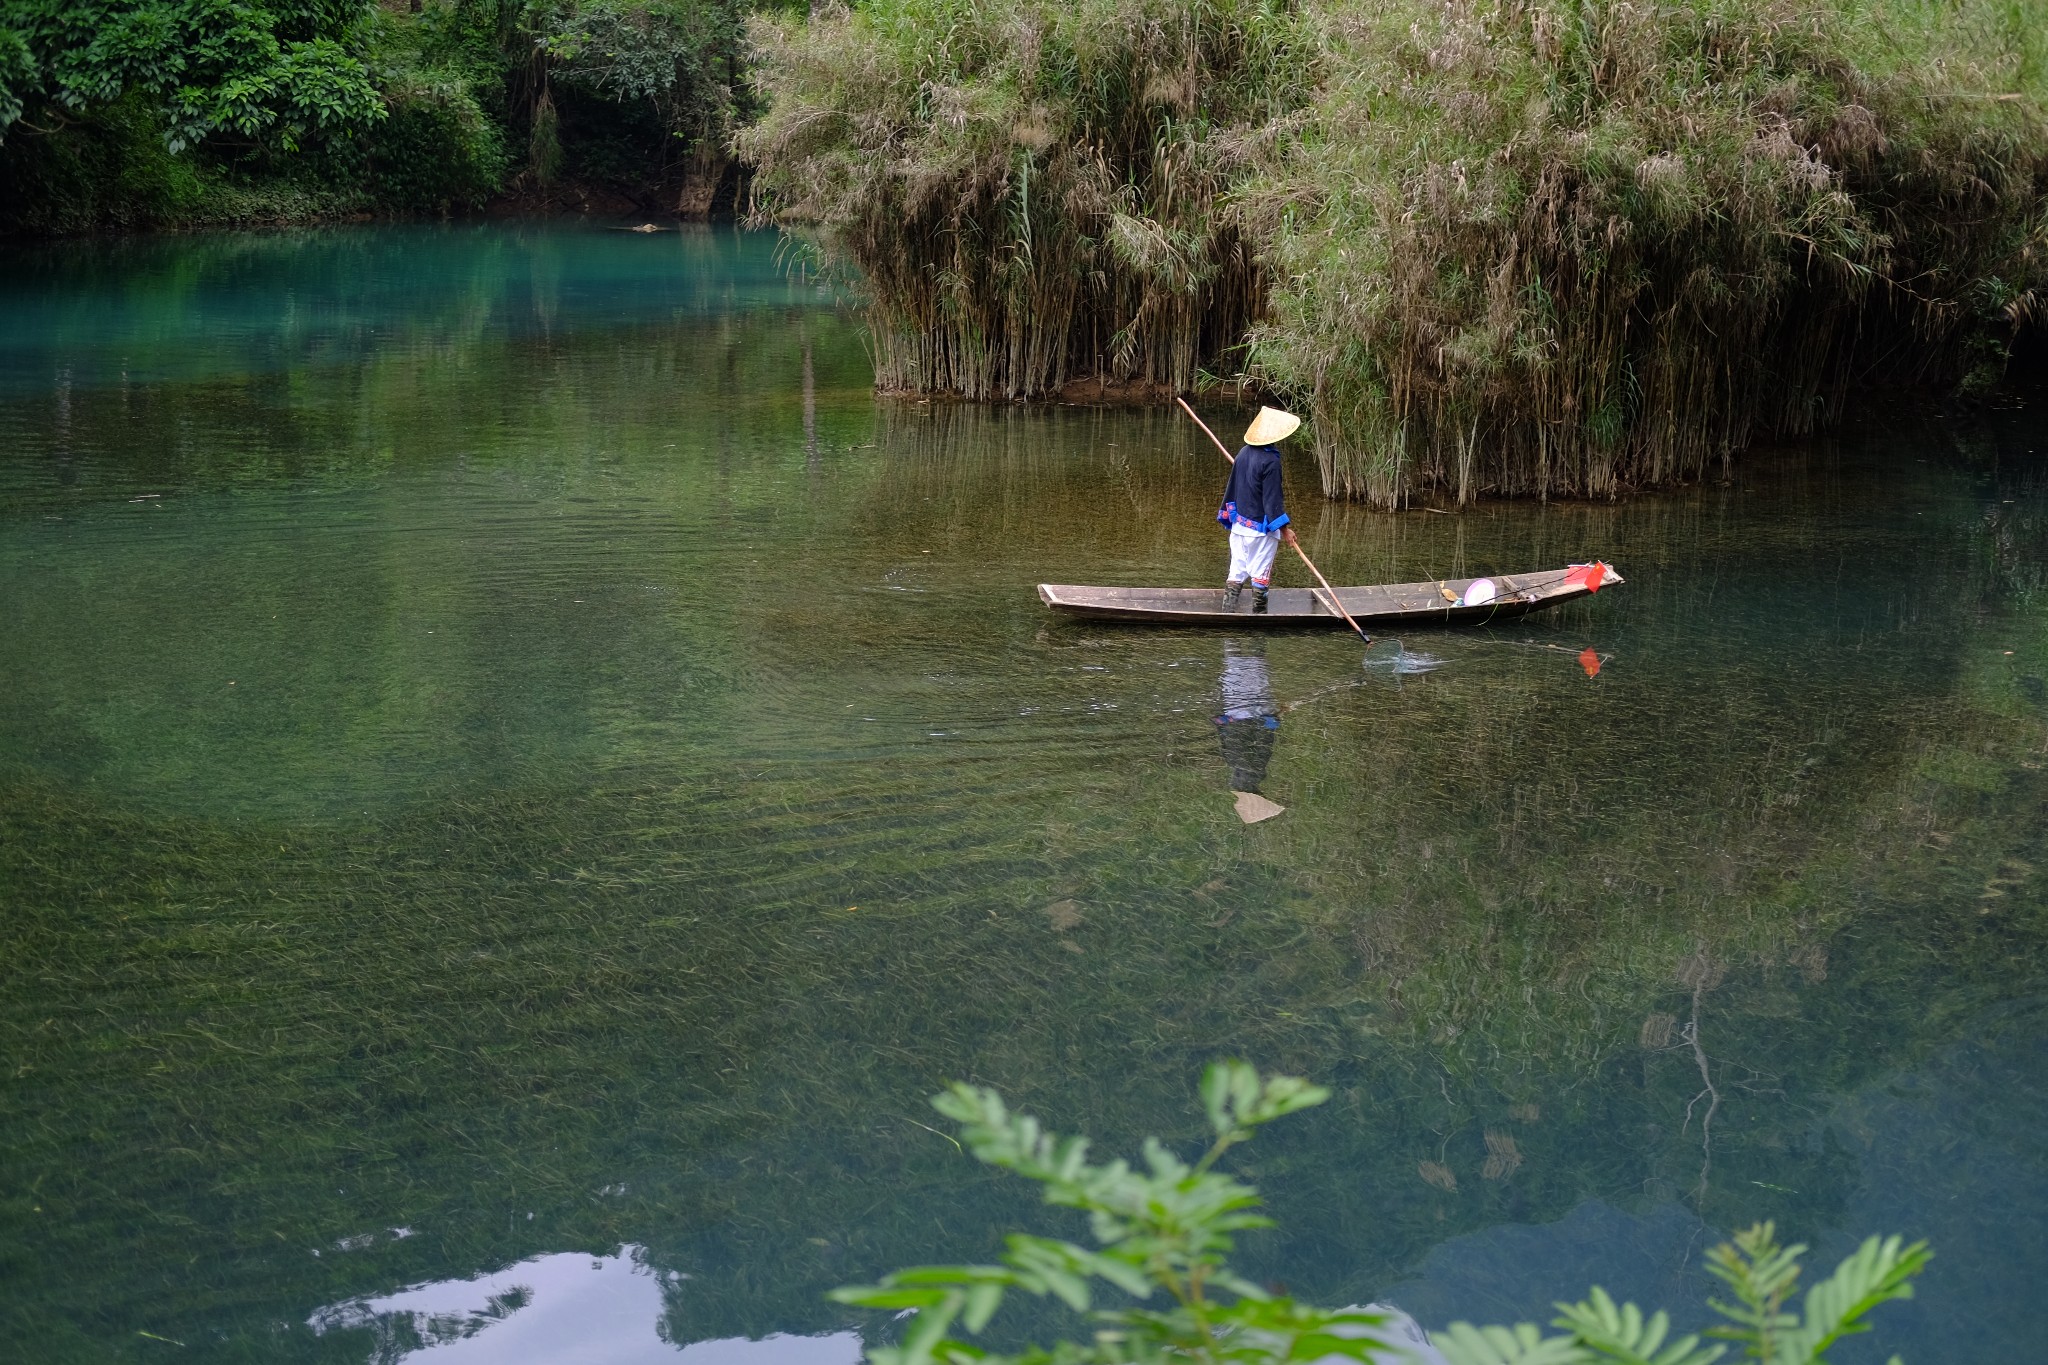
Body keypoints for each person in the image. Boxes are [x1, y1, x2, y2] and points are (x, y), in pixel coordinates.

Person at [1216, 406, 1301, 611]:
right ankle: (1258, 619)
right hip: (1260, 532)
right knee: (1260, 575)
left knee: (1236, 571)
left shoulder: (1243, 453)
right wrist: (1284, 530)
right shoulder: (1271, 460)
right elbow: (1272, 500)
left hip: (1239, 527)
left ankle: (1227, 612)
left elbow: (1235, 488)